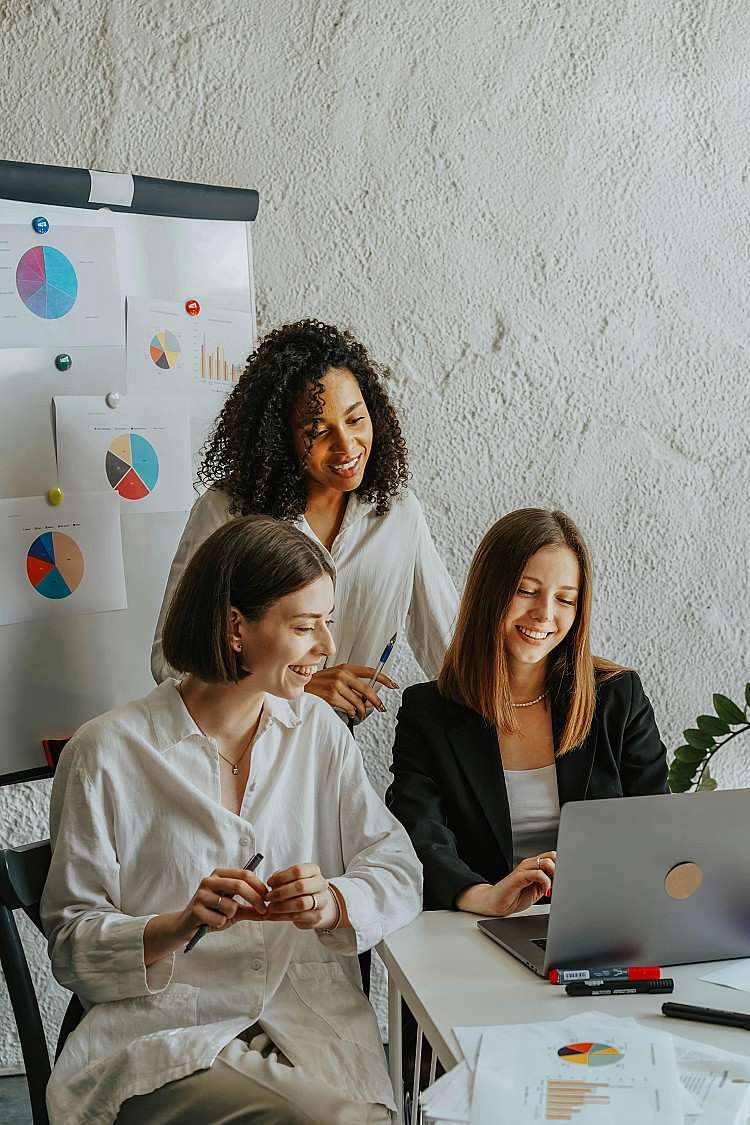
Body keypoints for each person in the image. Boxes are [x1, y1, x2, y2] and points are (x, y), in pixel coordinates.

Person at [41, 516, 422, 1125]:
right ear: (235, 627)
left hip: (305, 1021)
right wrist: (176, 924)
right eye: (305, 626)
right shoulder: (106, 752)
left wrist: (332, 902)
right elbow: (71, 944)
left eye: (327, 619)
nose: (327, 644)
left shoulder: (318, 733)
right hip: (163, 1036)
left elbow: (398, 870)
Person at [151, 319, 458, 723]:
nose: (346, 446)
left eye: (355, 419)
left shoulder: (398, 514)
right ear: (281, 437)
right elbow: (172, 663)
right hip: (236, 736)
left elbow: (450, 650)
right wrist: (298, 684)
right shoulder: (225, 512)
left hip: (334, 741)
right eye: (317, 430)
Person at [387, 507, 669, 915]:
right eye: (526, 590)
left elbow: (657, 827)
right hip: (480, 927)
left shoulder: (618, 698)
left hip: (606, 920)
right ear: (490, 591)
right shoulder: (427, 711)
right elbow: (420, 836)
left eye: (565, 599)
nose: (544, 614)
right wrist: (484, 896)